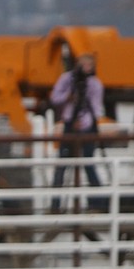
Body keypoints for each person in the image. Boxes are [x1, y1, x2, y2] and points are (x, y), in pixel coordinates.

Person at [50, 52, 105, 206]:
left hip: (87, 125)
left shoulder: (95, 84)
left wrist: (84, 122)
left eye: (89, 65)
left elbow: (96, 108)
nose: (86, 69)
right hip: (69, 124)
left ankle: (97, 203)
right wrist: (68, 97)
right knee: (62, 165)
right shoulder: (67, 80)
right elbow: (54, 98)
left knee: (88, 163)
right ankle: (55, 204)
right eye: (83, 65)